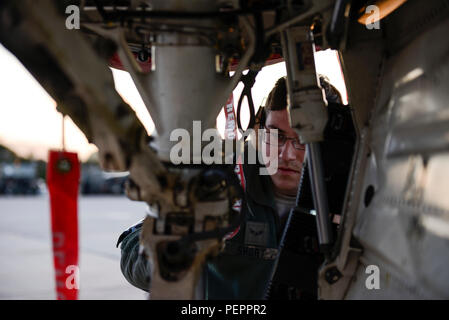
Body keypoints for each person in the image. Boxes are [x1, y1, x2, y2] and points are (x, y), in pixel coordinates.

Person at [117, 75, 342, 299]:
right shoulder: (223, 180)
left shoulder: (351, 201)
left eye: (302, 140)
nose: (286, 154)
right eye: (276, 136)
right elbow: (131, 253)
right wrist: (179, 244)